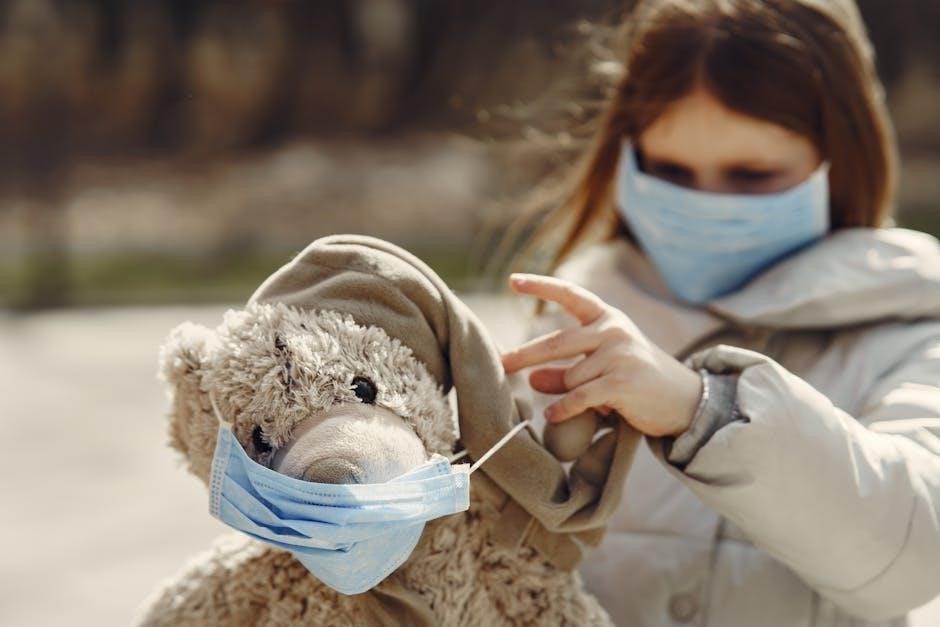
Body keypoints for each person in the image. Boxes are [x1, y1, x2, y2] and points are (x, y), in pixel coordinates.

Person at [496, 1, 940, 625]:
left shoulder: (912, 323)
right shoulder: (573, 317)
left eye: (752, 174)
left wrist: (706, 411)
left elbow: (914, 556)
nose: (707, 204)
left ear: (841, 162)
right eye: (670, 172)